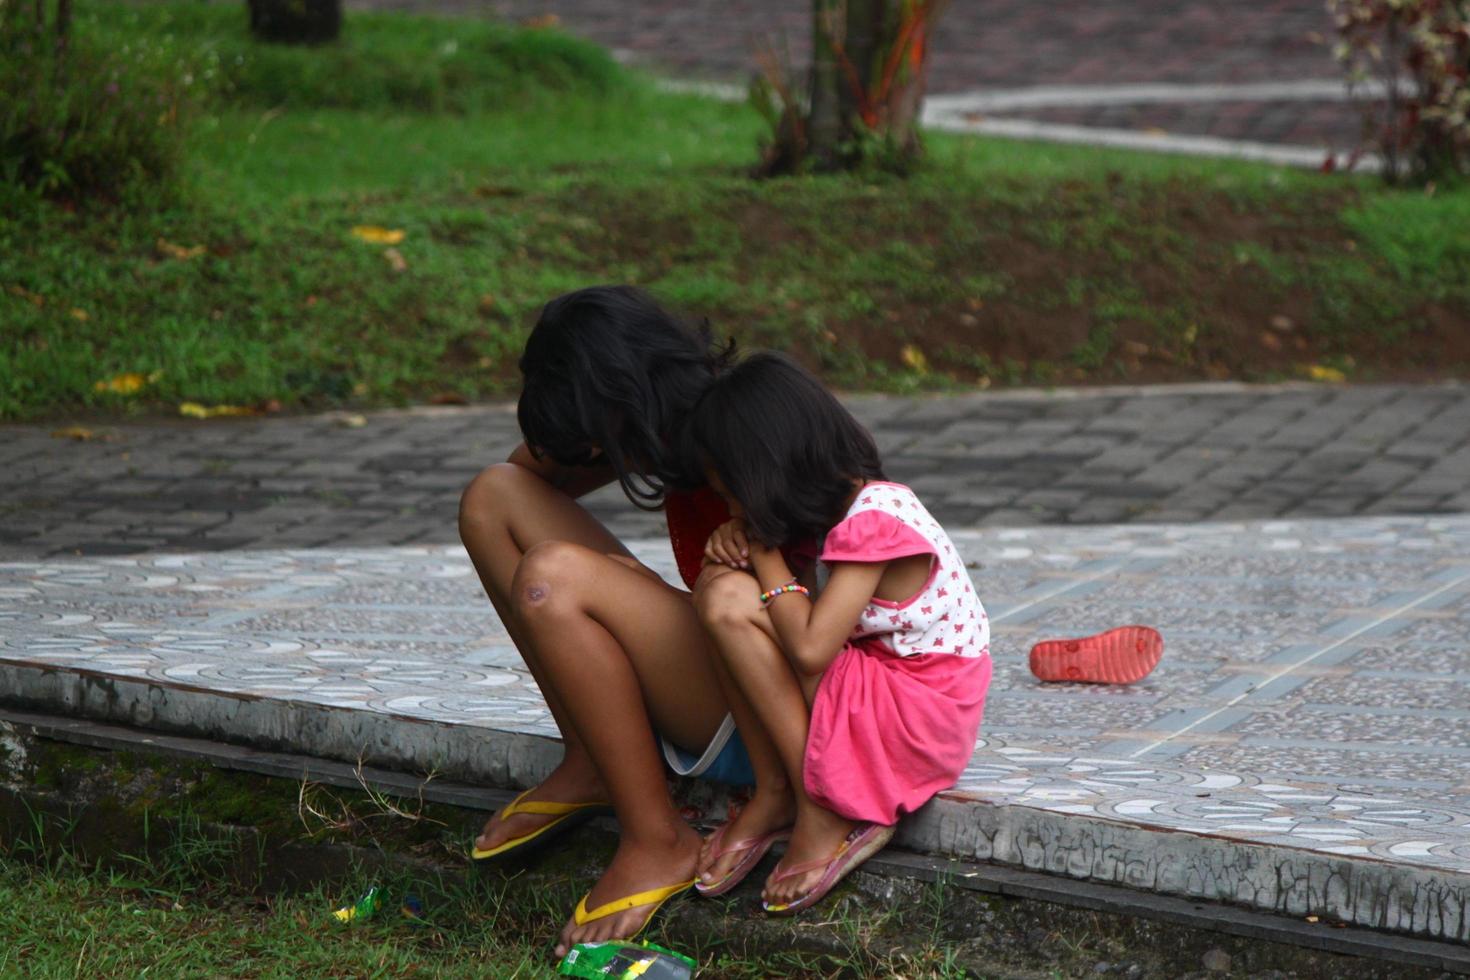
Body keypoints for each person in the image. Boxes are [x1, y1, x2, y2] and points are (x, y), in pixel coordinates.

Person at [458, 286, 754, 958]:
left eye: (596, 437)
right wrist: (570, 424)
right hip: (722, 666)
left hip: (773, 708)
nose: (591, 455)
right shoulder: (672, 421)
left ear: (621, 405)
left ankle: (660, 837)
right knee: (492, 499)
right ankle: (594, 757)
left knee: (552, 579)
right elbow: (527, 474)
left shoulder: (747, 428)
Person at [685, 352, 993, 913]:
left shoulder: (873, 520)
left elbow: (808, 649)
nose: (728, 509)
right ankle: (778, 792)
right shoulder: (837, 511)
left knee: (730, 599)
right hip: (896, 698)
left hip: (918, 723)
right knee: (718, 587)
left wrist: (760, 549)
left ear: (762, 476)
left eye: (730, 495)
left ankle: (822, 811)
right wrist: (741, 551)